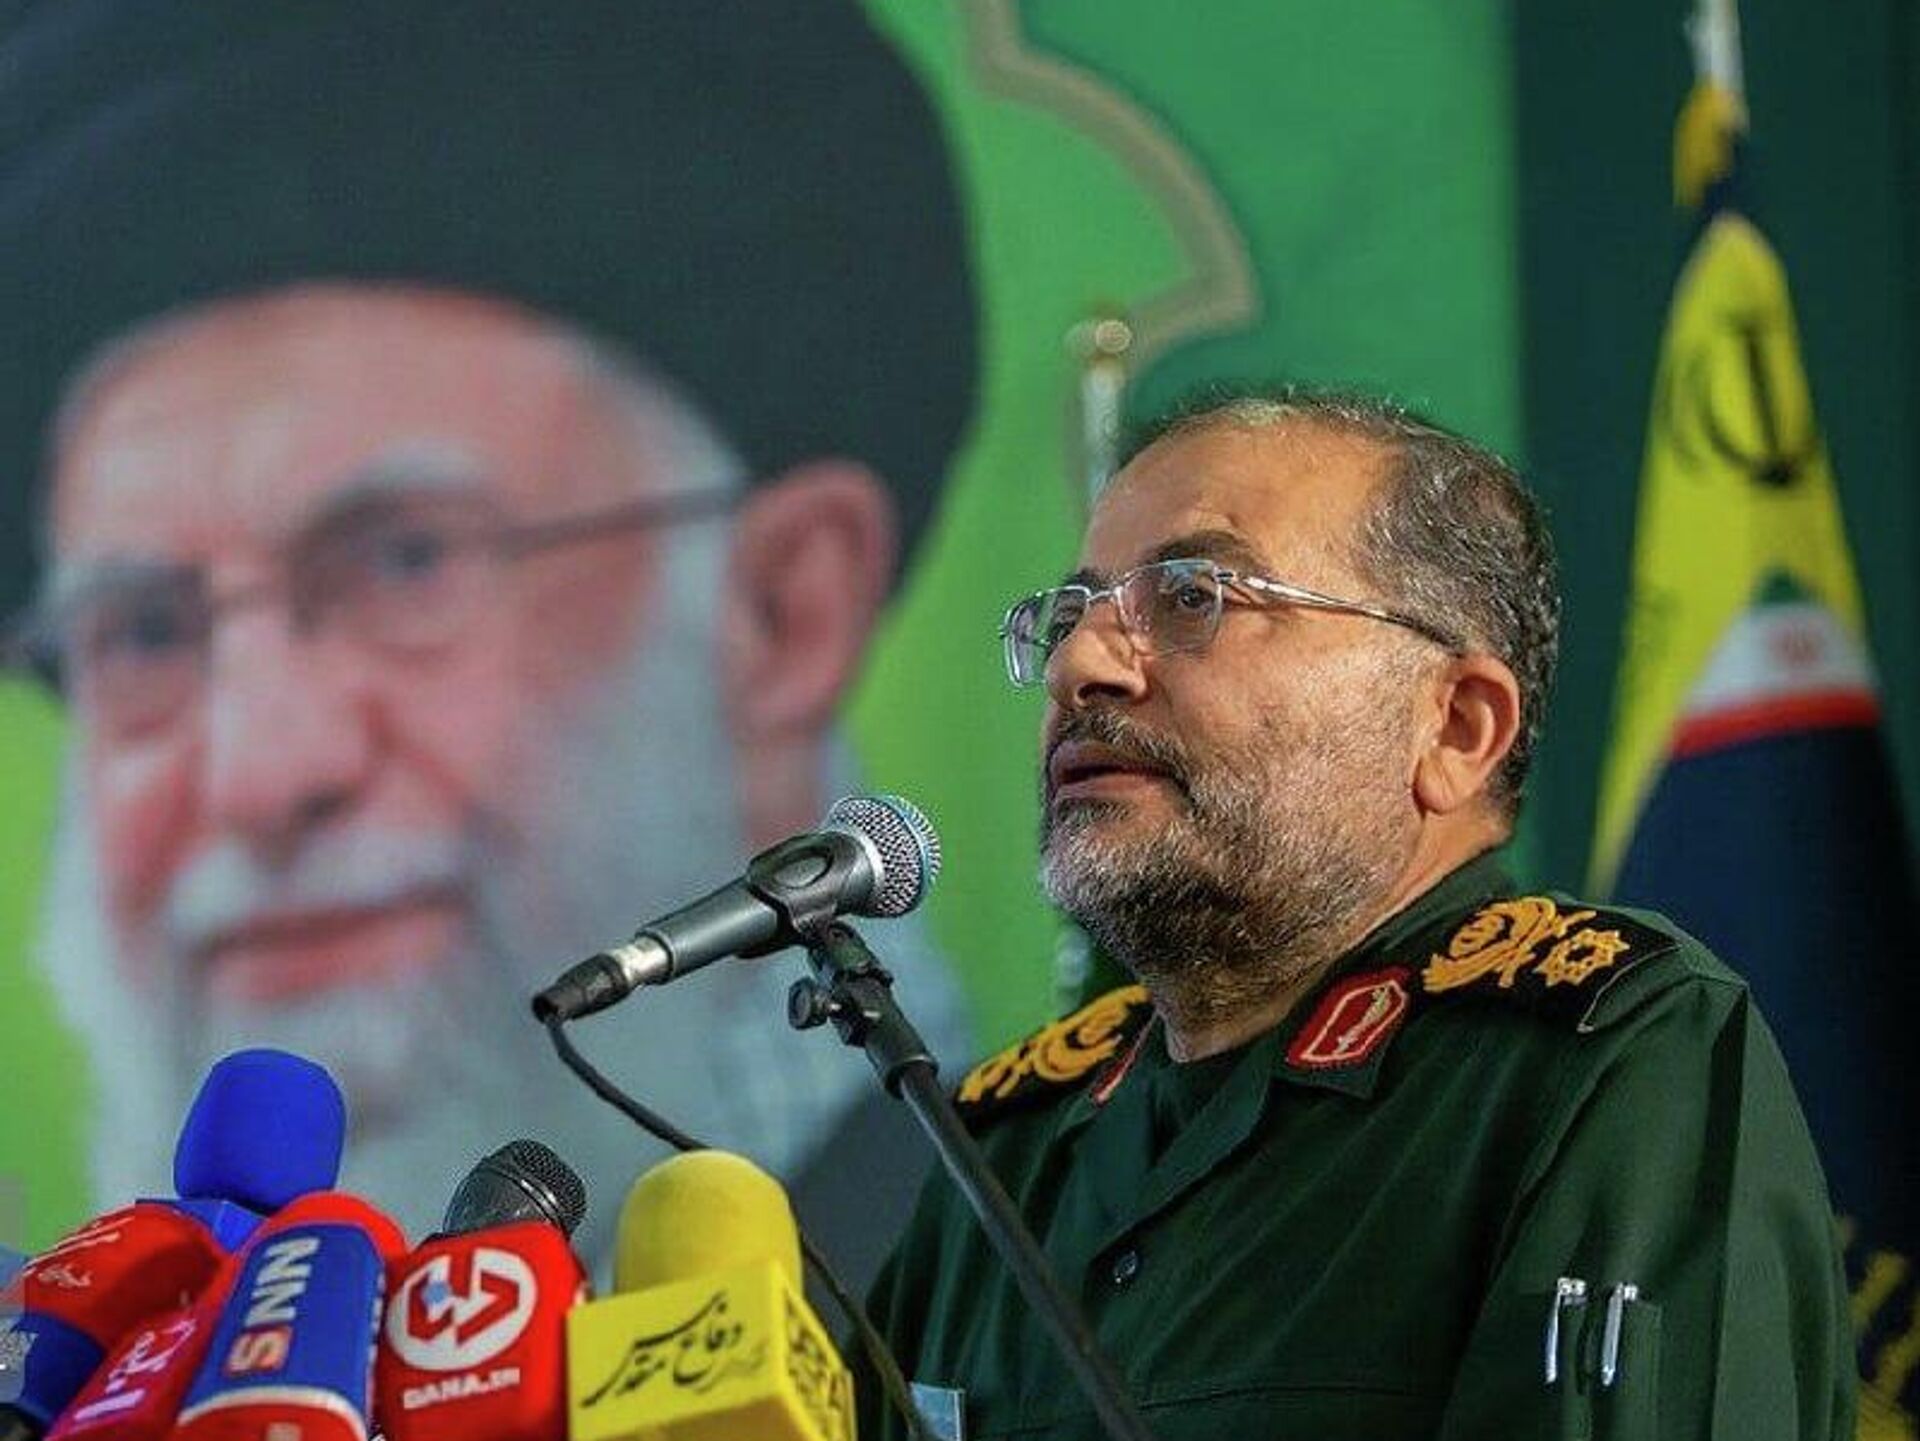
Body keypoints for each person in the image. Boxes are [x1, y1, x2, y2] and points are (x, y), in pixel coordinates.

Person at [0, 0, 975, 1266]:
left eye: (404, 561)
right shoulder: (94, 1353)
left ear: (780, 610)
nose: (260, 771)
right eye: (141, 633)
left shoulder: (1022, 1272)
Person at [859, 389, 1854, 1440]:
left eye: (1193, 596)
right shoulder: (1007, 1151)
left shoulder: (1598, 1060)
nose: (1079, 666)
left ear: (1456, 727)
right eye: (1070, 616)